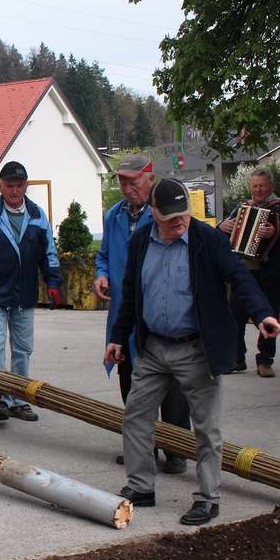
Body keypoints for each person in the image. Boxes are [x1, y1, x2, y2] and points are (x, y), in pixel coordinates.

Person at [105, 178, 280, 526]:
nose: (179, 221)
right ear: (153, 213)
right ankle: (141, 486)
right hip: (154, 348)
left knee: (206, 428)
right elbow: (131, 294)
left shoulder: (208, 239)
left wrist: (263, 314)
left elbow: (240, 278)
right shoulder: (140, 240)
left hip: (197, 349)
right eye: (170, 216)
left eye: (183, 214)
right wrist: (118, 337)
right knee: (136, 417)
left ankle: (208, 499)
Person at [93, 154, 191, 475]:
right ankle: (142, 444)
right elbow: (104, 255)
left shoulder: (164, 213)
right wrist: (101, 275)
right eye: (123, 183)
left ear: (150, 179)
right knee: (130, 378)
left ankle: (176, 449)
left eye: (133, 182)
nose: (127, 189)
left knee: (171, 382)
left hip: (159, 309)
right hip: (125, 311)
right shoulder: (113, 216)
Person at [0, 161, 61, 422]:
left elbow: (49, 255)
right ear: (0, 186)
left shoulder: (38, 216)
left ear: (26, 186)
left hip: (24, 297)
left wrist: (53, 283)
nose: (14, 191)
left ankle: (19, 400)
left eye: (19, 185)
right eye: (9, 186)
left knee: (23, 350)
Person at [218, 166, 280, 378]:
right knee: (234, 315)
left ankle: (265, 360)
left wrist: (275, 233)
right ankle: (236, 359)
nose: (258, 190)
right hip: (244, 272)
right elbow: (223, 227)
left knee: (269, 315)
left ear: (272, 186)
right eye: (255, 186)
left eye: (263, 185)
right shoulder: (242, 208)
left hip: (272, 272)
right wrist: (222, 226)